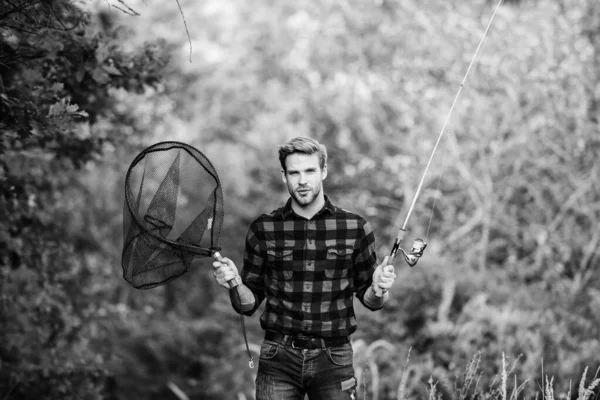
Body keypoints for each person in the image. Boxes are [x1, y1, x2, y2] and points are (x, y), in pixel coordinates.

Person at [213, 136, 396, 400]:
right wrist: (235, 284)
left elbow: (372, 300)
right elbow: (248, 304)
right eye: (294, 172)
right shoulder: (264, 228)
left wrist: (379, 289)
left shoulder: (355, 227)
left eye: (309, 171)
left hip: (335, 359)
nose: (302, 181)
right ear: (284, 175)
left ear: (323, 171)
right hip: (278, 359)